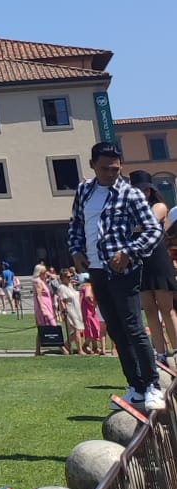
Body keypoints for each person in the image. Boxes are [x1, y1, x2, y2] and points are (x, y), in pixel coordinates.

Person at [67, 139, 165, 411]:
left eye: (115, 169)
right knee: (116, 331)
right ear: (92, 166)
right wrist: (76, 252)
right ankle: (134, 386)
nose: (111, 174)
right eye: (105, 169)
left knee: (134, 328)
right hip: (96, 269)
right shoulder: (84, 191)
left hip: (124, 270)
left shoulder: (130, 194)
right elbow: (75, 224)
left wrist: (129, 252)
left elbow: (153, 230)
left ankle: (152, 386)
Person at [129, 171, 177, 364]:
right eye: (139, 189)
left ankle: (175, 349)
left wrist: (131, 226)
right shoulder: (128, 208)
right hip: (139, 260)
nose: (144, 193)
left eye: (146, 189)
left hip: (157, 259)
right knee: (149, 310)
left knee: (167, 308)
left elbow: (147, 223)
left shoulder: (159, 206)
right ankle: (160, 353)